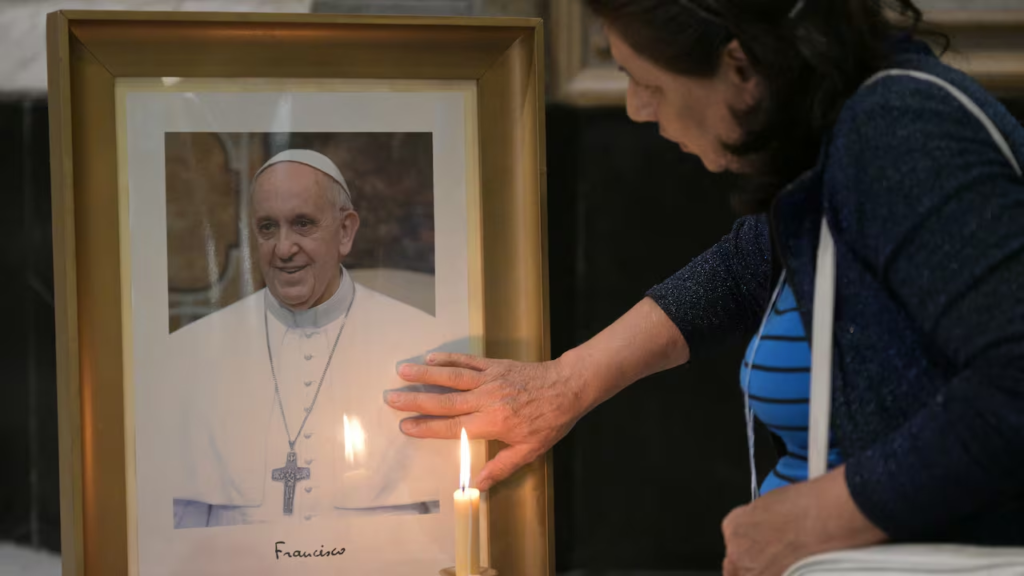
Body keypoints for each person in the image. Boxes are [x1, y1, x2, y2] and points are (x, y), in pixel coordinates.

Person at [385, 0, 1024, 574]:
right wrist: (566, 383)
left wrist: (806, 523)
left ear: (740, 68)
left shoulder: (902, 133)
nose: (636, 107)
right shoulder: (836, 134)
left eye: (647, 82)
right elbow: (752, 264)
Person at [171, 149, 445, 528]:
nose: (283, 249)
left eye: (302, 224)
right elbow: (181, 527)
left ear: (345, 231)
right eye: (268, 227)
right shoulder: (194, 352)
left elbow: (447, 520)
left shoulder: (426, 346)